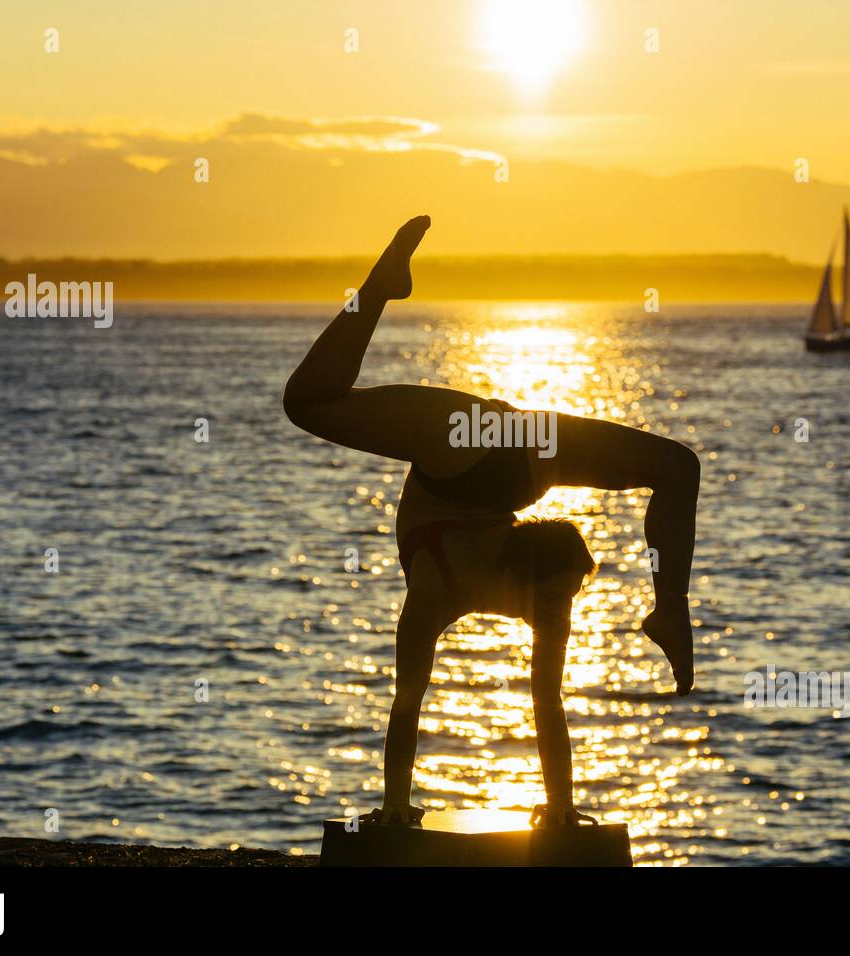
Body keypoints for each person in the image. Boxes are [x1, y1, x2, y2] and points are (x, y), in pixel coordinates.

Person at [282, 216, 700, 826]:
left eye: (564, 600)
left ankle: (670, 609)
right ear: (523, 578)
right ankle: (380, 285)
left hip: (512, 453)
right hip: (462, 450)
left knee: (677, 466)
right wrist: (394, 811)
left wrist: (560, 813)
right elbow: (406, 704)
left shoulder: (511, 589)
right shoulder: (439, 589)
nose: (561, 612)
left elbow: (543, 704)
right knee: (305, 402)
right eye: (558, 599)